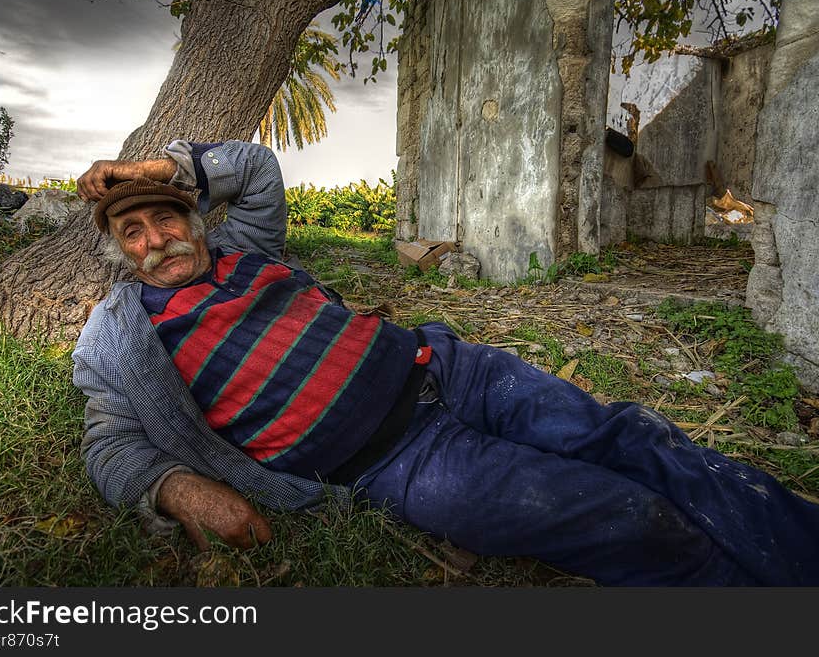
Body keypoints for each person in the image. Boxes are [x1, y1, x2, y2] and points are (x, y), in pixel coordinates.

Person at [72, 138, 819, 586]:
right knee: (626, 514)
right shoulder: (121, 335)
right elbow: (109, 441)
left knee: (636, 438)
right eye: (131, 230)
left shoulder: (247, 251)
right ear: (119, 251)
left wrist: (156, 165)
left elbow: (257, 168)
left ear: (192, 218)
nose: (154, 238)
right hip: (396, 461)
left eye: (165, 215)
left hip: (445, 366)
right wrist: (178, 489)